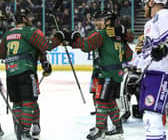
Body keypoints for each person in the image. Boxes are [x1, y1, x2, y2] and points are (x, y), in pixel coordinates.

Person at [64, 10, 133, 140]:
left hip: (106, 73)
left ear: (108, 22)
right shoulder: (119, 37)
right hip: (117, 74)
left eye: (100, 20)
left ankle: (100, 129)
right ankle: (118, 129)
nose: (96, 22)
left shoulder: (100, 34)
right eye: (95, 20)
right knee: (110, 101)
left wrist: (72, 37)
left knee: (101, 101)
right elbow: (129, 55)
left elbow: (86, 46)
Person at [0, 7, 64, 140]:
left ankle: (20, 130)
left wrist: (43, 60)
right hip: (26, 71)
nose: (31, 19)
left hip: (10, 73)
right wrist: (59, 37)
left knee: (17, 103)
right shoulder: (31, 31)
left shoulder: (7, 34)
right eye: (29, 17)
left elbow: (1, 54)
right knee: (29, 102)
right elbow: (46, 45)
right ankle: (25, 132)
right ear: (23, 19)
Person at [132, 0, 168, 140]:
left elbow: (164, 43)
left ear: (152, 1)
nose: (144, 7)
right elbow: (146, 53)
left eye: (146, 4)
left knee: (152, 117)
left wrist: (164, 47)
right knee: (151, 116)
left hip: (160, 73)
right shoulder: (150, 24)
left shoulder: (164, 15)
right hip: (152, 74)